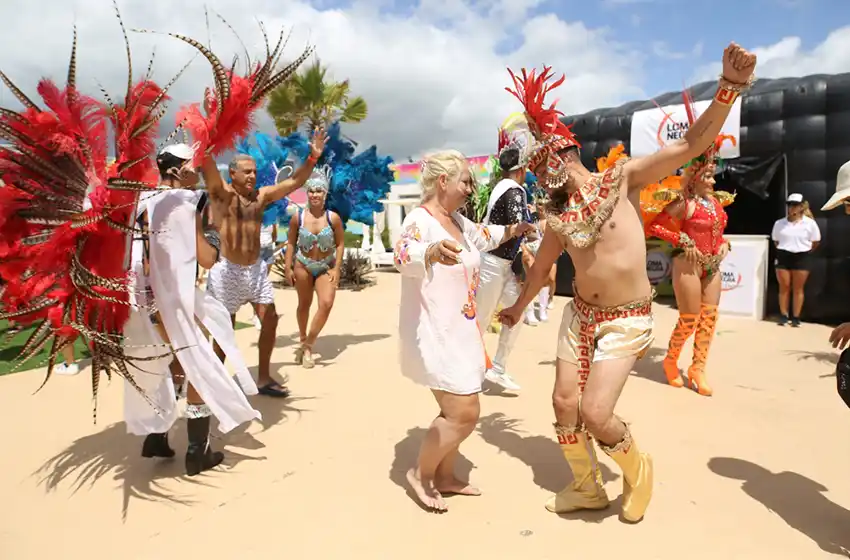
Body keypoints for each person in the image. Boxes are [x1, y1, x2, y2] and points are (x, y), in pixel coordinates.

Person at [499, 44, 757, 522]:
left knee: (596, 413)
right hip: (580, 315)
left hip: (628, 317)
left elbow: (691, 145)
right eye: (533, 169)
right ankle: (587, 486)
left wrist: (728, 88)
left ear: (562, 153)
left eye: (539, 164)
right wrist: (518, 307)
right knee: (562, 401)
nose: (537, 174)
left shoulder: (623, 178)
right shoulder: (556, 215)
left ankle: (639, 473)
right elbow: (540, 270)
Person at [394, 150, 533, 512]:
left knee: (462, 405)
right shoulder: (421, 220)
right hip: (435, 332)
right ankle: (420, 475)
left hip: (464, 332)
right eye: (466, 180)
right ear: (443, 182)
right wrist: (429, 251)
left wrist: (517, 228)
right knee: (463, 412)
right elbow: (401, 253)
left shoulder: (459, 221)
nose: (472, 188)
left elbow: (485, 236)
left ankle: (445, 475)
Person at [123, 144, 261, 475]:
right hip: (180, 301)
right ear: (177, 170)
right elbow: (207, 259)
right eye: (192, 166)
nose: (198, 172)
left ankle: (156, 436)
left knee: (165, 363)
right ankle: (198, 451)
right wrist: (208, 233)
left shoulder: (141, 202)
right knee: (197, 366)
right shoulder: (191, 202)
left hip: (144, 300)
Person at [203, 128, 328, 397]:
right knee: (224, 330)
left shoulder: (261, 196)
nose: (252, 176)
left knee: (270, 320)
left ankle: (262, 378)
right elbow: (207, 163)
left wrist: (312, 158)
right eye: (246, 172)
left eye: (254, 171)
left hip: (256, 269)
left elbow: (293, 183)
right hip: (228, 271)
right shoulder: (222, 195)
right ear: (232, 174)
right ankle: (214, 383)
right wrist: (209, 129)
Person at [646, 129, 736, 396]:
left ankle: (698, 368)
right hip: (688, 264)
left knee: (709, 318)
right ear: (694, 178)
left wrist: (724, 243)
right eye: (707, 176)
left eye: (712, 175)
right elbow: (656, 227)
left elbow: (718, 234)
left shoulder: (716, 205)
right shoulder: (685, 203)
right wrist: (683, 240)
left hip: (712, 265)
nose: (712, 180)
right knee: (689, 318)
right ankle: (671, 360)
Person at [474, 119, 536, 392]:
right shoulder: (515, 190)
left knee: (516, 312)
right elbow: (517, 224)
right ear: (521, 170)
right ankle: (469, 371)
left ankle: (497, 367)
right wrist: (533, 228)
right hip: (493, 263)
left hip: (501, 263)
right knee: (481, 320)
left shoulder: (501, 187)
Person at [283, 165, 345, 368]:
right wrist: (288, 267)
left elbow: (340, 243)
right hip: (303, 265)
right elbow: (290, 242)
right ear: (307, 193)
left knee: (326, 303)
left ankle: (309, 344)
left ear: (325, 194)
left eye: (319, 191)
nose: (315, 194)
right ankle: (302, 340)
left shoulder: (333, 218)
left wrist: (336, 268)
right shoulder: (298, 218)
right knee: (304, 304)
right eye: (311, 190)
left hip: (325, 266)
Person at [771, 193, 821, 326]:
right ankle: (783, 315)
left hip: (802, 256)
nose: (791, 207)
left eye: (795, 205)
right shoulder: (779, 223)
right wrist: (785, 249)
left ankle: (796, 317)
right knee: (784, 287)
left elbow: (815, 241)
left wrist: (804, 251)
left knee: (798, 288)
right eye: (789, 205)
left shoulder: (810, 223)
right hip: (783, 255)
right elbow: (776, 241)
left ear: (801, 207)